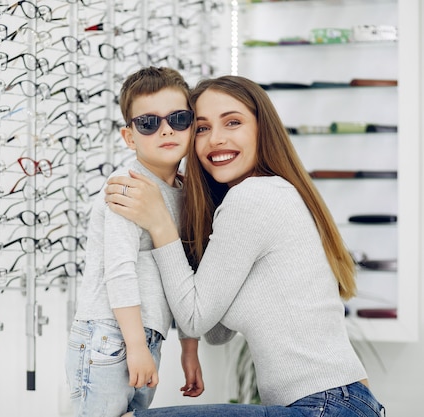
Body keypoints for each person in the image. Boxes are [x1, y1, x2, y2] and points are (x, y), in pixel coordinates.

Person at [105, 75, 385, 417]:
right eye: (202, 128)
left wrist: (161, 222)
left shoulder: (254, 197)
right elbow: (215, 332)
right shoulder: (265, 194)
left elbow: (194, 320)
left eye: (233, 122)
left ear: (261, 129)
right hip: (333, 404)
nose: (215, 139)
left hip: (326, 405)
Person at [65, 66, 206, 417]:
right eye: (148, 123)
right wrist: (135, 346)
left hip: (145, 337)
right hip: (110, 334)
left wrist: (189, 351)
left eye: (178, 118)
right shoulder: (127, 184)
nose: (166, 130)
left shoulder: (186, 191)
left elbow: (186, 276)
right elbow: (119, 269)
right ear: (129, 137)